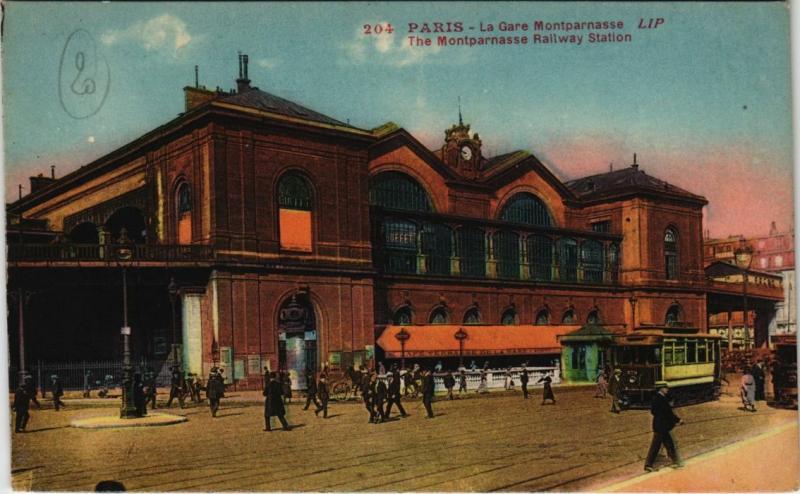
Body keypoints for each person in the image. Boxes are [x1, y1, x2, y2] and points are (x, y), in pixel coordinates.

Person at [644, 382, 684, 471]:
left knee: (666, 444)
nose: (667, 389)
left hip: (659, 425)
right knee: (658, 446)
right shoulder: (662, 399)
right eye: (665, 388)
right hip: (662, 426)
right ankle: (648, 465)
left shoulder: (656, 398)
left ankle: (676, 462)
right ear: (661, 389)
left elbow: (653, 411)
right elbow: (668, 413)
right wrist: (678, 420)